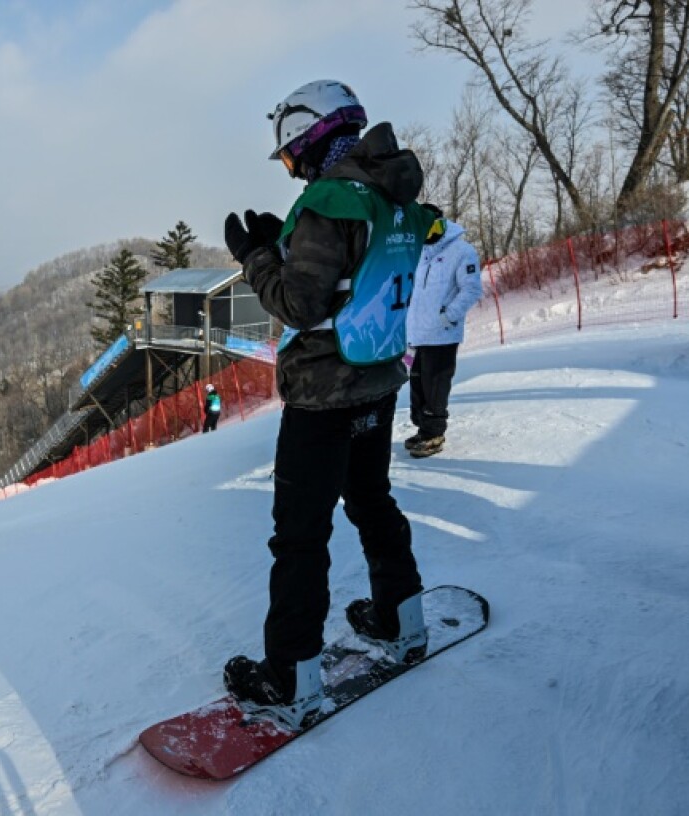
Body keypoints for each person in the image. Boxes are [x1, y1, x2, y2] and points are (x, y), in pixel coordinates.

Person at [220, 79, 435, 729]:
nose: (292, 172)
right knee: (372, 501)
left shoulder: (329, 200)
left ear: (310, 138)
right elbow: (351, 280)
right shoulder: (392, 197)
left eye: (290, 156)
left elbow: (300, 304)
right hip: (378, 377)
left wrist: (258, 259)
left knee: (300, 535)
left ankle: (290, 677)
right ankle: (404, 619)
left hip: (323, 395)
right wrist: (284, 251)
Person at [404, 204, 483, 458]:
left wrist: (448, 316)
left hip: (442, 333)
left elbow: (471, 290)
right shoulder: (418, 252)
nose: (429, 233)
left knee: (435, 384)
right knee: (417, 383)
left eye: (433, 227)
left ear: (441, 224)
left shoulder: (461, 251)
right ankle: (422, 428)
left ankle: (434, 432)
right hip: (417, 333)